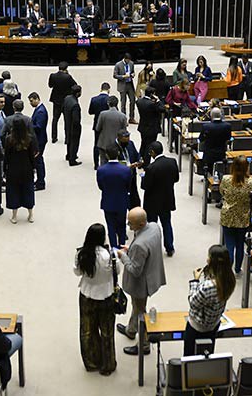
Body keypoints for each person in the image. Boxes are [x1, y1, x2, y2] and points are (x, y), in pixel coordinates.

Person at [116, 207, 166, 356]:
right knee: (137, 306)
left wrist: (123, 256)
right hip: (152, 274)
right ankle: (131, 330)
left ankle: (144, 344)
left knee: (140, 312)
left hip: (141, 283)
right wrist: (130, 250)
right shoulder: (155, 227)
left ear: (141, 224)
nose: (128, 226)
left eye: (131, 224)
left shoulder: (139, 245)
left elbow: (135, 270)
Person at [74, 223, 118, 376]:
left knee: (87, 331)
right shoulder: (109, 256)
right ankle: (108, 364)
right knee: (107, 332)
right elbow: (117, 271)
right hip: (106, 295)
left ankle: (91, 362)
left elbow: (77, 272)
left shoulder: (81, 254)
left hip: (87, 295)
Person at [183, 245, 236, 356]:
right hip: (214, 324)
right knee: (206, 355)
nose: (207, 259)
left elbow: (193, 303)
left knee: (190, 358)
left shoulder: (209, 286)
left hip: (197, 328)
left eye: (209, 257)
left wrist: (195, 281)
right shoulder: (229, 279)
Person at [219, 157, 252, 274]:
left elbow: (222, 192)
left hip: (228, 215)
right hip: (243, 216)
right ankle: (237, 268)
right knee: (240, 244)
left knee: (229, 244)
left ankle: (227, 270)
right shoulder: (251, 182)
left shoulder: (226, 179)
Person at [142, 141, 179, 256]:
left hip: (152, 202)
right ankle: (169, 247)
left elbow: (145, 186)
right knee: (166, 223)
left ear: (153, 152)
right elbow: (176, 178)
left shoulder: (151, 168)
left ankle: (153, 249)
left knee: (152, 226)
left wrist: (143, 177)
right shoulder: (172, 162)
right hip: (166, 199)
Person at [4, 118, 38, 224]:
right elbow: (32, 156)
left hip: (13, 170)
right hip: (26, 169)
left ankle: (14, 216)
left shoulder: (9, 139)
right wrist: (34, 168)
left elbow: (7, 156)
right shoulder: (30, 139)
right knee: (28, 191)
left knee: (14, 191)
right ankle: (31, 215)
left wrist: (5, 169)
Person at [97, 146, 132, 248]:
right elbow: (128, 185)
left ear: (107, 155)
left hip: (108, 201)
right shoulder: (125, 170)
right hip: (122, 201)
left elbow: (100, 186)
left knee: (111, 227)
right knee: (122, 226)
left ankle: (113, 249)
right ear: (117, 154)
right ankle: (122, 246)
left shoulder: (101, 170)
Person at [49, 62, 77, 143]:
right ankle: (67, 138)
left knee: (55, 119)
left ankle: (54, 137)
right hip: (65, 100)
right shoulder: (68, 77)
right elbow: (74, 85)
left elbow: (50, 85)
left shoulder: (52, 76)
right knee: (67, 120)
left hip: (56, 100)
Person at [136, 87, 166, 165]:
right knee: (149, 146)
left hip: (143, 126)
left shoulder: (139, 102)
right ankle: (146, 163)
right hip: (152, 128)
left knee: (143, 144)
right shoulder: (153, 105)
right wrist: (158, 100)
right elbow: (163, 109)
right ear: (152, 94)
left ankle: (139, 159)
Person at [96, 96, 128, 166]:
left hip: (103, 143)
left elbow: (98, 128)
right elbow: (124, 131)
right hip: (117, 144)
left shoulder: (102, 114)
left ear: (108, 103)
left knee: (103, 163)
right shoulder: (122, 116)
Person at [198, 108, 231, 173]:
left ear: (211, 115)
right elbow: (228, 138)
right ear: (220, 115)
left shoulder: (206, 126)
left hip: (209, 154)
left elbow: (201, 139)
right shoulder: (227, 126)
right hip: (222, 153)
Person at [116, 130, 142, 208]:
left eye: (128, 139)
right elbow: (114, 164)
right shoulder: (113, 148)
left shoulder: (130, 144)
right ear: (119, 139)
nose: (127, 142)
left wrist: (139, 160)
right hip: (121, 178)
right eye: (124, 141)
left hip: (132, 175)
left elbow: (136, 154)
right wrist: (128, 167)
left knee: (135, 201)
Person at [88, 83, 111, 169]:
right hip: (107, 125)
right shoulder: (110, 99)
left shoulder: (94, 99)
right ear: (108, 89)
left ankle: (96, 164)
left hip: (97, 124)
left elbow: (90, 112)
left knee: (96, 144)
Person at [28, 92, 48, 190]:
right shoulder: (39, 109)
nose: (31, 103)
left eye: (31, 101)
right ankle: (40, 180)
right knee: (38, 160)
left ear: (37, 99)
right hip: (39, 139)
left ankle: (41, 182)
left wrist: (29, 125)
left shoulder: (40, 111)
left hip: (39, 140)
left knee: (38, 161)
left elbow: (39, 127)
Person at [113, 53, 137, 123]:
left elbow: (132, 72)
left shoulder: (131, 63)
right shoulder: (118, 64)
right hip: (122, 84)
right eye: (128, 60)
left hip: (130, 84)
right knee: (123, 103)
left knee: (132, 101)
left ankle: (131, 118)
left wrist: (133, 74)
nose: (129, 61)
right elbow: (115, 75)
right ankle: (124, 119)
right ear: (125, 59)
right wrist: (123, 76)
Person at [64, 84, 83, 166]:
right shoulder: (75, 105)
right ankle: (72, 159)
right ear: (77, 93)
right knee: (74, 142)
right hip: (74, 127)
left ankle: (68, 155)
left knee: (69, 140)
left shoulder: (67, 98)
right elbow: (76, 120)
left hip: (67, 123)